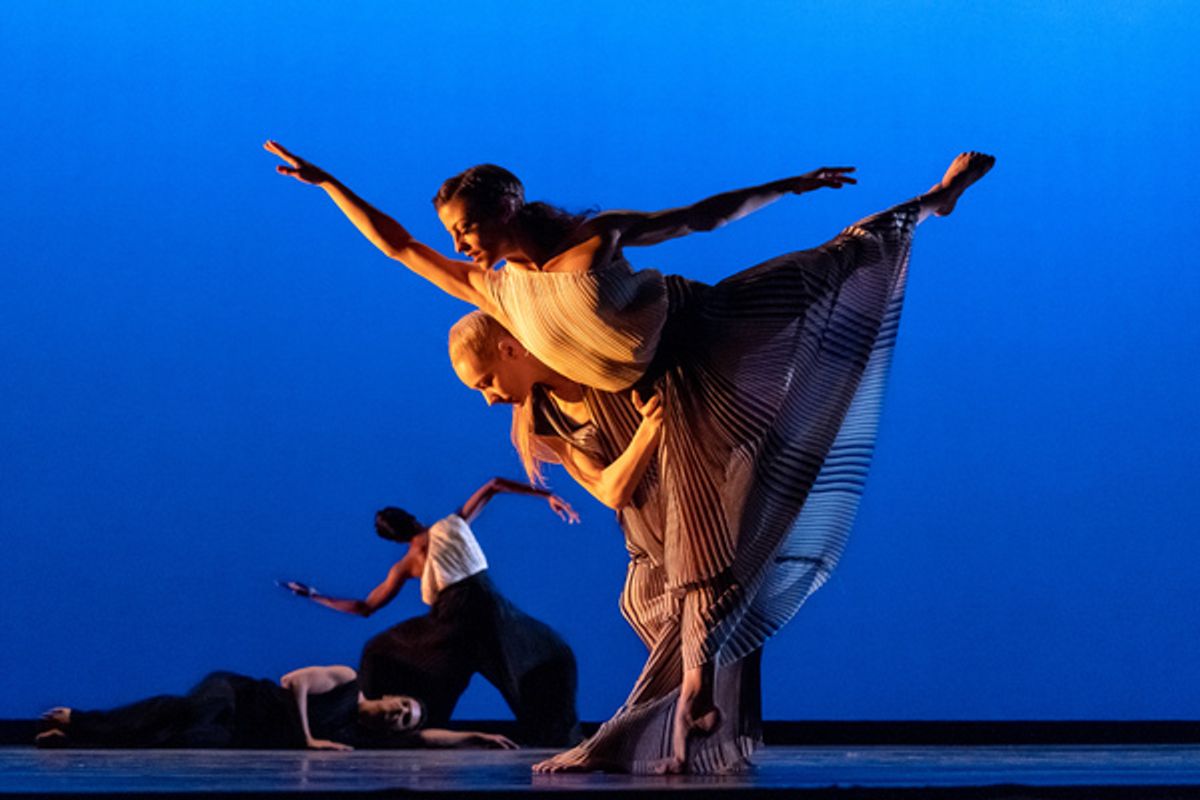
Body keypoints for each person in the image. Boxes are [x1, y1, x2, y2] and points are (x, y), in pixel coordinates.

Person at [265, 143, 994, 772]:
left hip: (696, 336)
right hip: (652, 397)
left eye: (467, 228)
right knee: (669, 573)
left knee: (824, 270)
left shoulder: (593, 242)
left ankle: (930, 203)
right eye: (452, 234)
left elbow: (701, 216)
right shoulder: (496, 291)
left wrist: (790, 185)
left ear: (508, 206)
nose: (459, 245)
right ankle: (686, 713)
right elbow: (397, 245)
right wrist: (331, 185)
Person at [282, 477, 582, 747]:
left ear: (396, 538)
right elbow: (494, 485)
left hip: (468, 616)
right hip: (467, 616)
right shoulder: (442, 532)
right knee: (383, 654)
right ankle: (386, 725)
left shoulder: (424, 548)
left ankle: (380, 723)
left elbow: (366, 607)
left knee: (381, 651)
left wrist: (315, 596)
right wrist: (547, 495)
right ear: (410, 522)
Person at [35, 665, 516, 751]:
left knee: (187, 739)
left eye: (405, 720)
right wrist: (309, 739)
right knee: (182, 712)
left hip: (242, 730)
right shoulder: (348, 681)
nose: (401, 715)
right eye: (404, 706)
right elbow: (296, 682)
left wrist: (475, 735)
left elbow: (427, 737)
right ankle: (79, 718)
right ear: (391, 696)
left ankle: (74, 739)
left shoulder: (358, 735)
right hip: (239, 694)